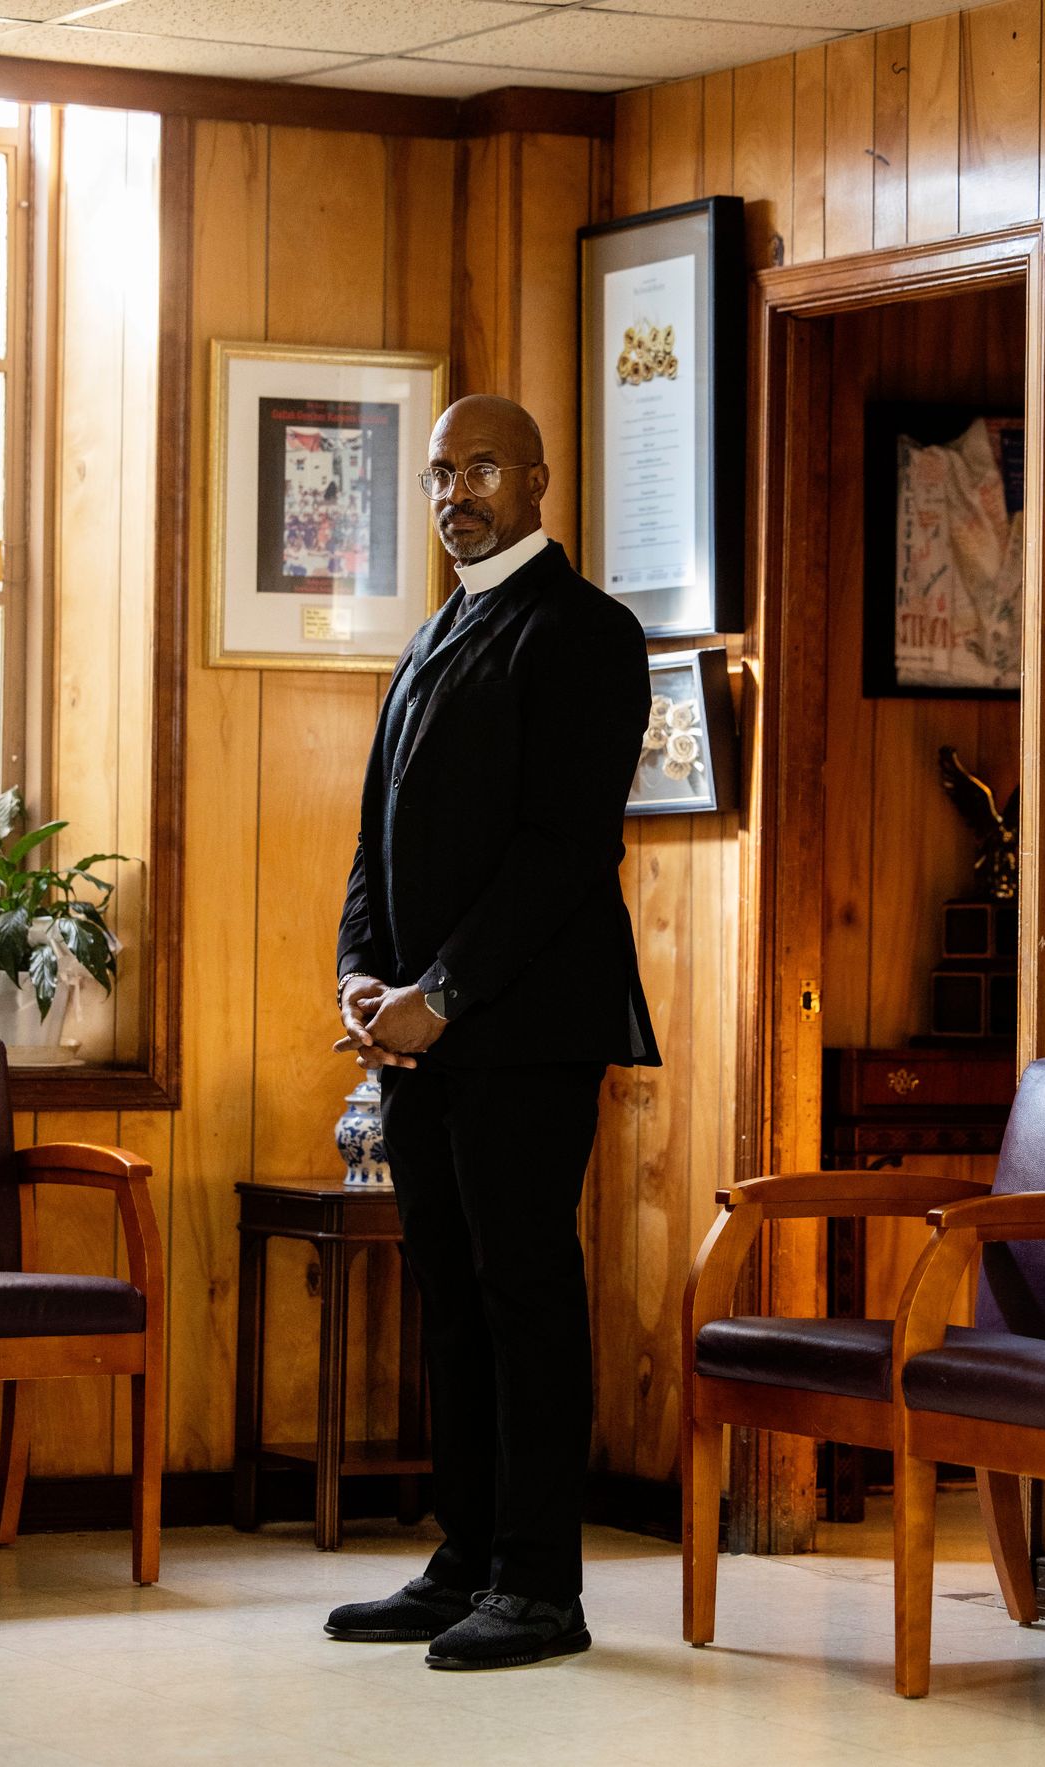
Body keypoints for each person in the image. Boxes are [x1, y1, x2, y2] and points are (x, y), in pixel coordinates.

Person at [326, 393, 660, 1671]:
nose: (452, 496)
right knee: (451, 1296)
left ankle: (539, 1586)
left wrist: (445, 992)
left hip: (526, 1028)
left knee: (524, 1293)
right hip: (417, 1033)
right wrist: (364, 976)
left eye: (478, 471)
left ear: (536, 481)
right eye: (435, 476)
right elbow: (376, 835)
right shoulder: (432, 634)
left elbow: (564, 850)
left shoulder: (584, 632)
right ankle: (463, 1562)